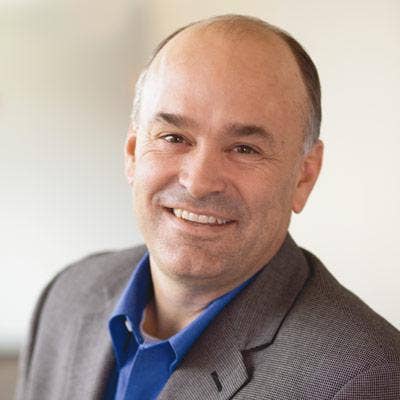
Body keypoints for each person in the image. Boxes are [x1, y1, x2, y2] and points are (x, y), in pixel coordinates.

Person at [16, 14, 400, 400]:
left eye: (245, 148)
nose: (198, 182)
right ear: (133, 153)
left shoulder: (364, 377)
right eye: (173, 137)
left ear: (304, 176)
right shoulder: (67, 295)